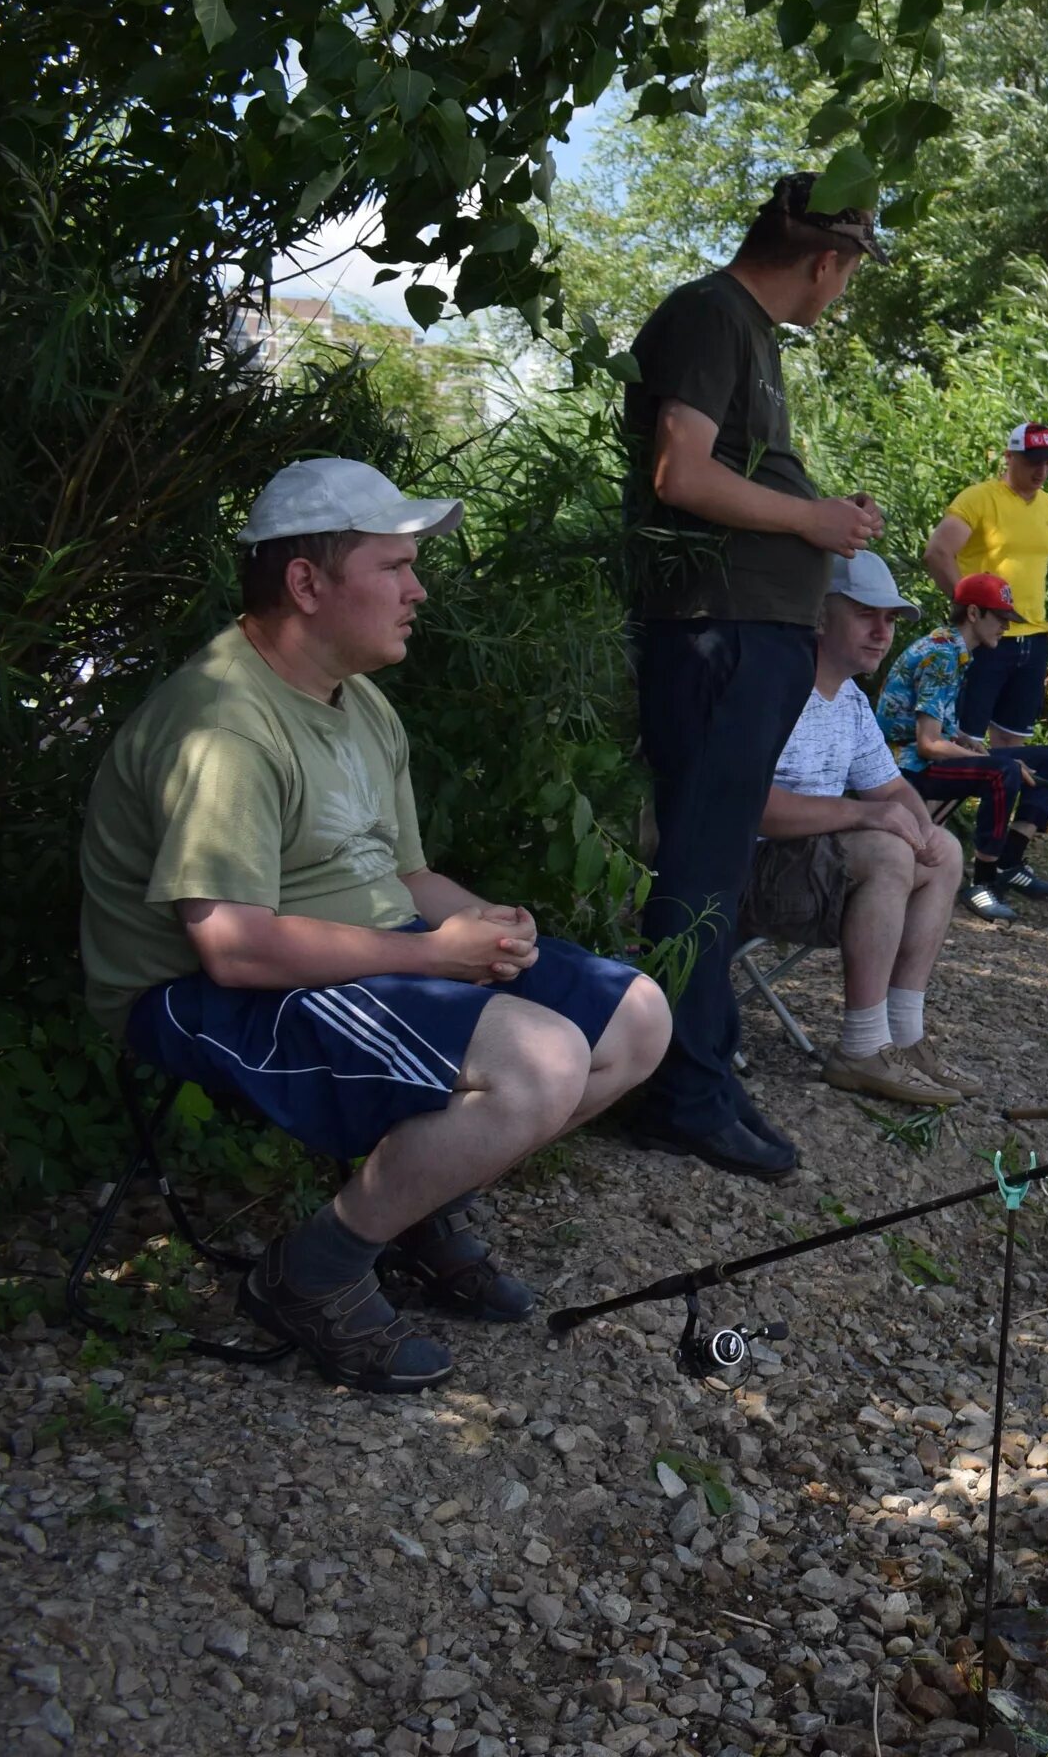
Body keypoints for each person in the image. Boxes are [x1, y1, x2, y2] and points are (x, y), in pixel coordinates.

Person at [80, 459, 673, 1394]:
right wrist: (430, 953)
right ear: (306, 584)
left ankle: (408, 1213)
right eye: (393, 567)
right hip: (198, 996)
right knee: (544, 1061)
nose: (418, 589)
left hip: (362, 945)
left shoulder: (361, 702)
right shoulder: (226, 727)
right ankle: (312, 1273)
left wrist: (476, 922)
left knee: (636, 1017)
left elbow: (402, 874)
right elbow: (231, 949)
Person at [619, 172, 889, 1182]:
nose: (846, 288)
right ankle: (678, 1090)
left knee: (719, 857)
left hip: (751, 632)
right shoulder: (709, 314)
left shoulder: (751, 333)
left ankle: (704, 1060)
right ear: (829, 258)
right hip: (713, 632)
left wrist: (818, 517)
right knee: (700, 859)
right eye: (852, 270)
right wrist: (814, 521)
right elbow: (678, 472)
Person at [747, 552, 983, 1109]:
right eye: (865, 615)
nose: (883, 632)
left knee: (943, 850)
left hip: (808, 875)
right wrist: (866, 816)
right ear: (820, 615)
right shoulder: (773, 690)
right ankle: (859, 1046)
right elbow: (749, 808)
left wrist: (918, 827)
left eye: (891, 620)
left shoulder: (850, 700)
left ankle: (902, 1036)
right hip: (744, 873)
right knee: (885, 852)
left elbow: (891, 789)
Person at [878, 572, 1048, 925]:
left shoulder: (957, 650)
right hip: (907, 767)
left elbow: (939, 731)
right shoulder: (941, 656)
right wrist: (985, 759)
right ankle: (982, 882)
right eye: (1000, 619)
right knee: (1004, 771)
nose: (1005, 628)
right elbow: (928, 744)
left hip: (926, 756)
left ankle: (1010, 862)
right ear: (972, 614)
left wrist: (967, 744)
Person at [920, 421, 1048, 775]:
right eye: (1033, 461)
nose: (1042, 470)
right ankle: (935, 825)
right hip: (984, 638)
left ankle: (998, 826)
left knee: (1011, 746)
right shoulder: (979, 498)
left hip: (1033, 638)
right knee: (962, 740)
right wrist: (971, 609)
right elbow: (938, 552)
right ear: (1009, 457)